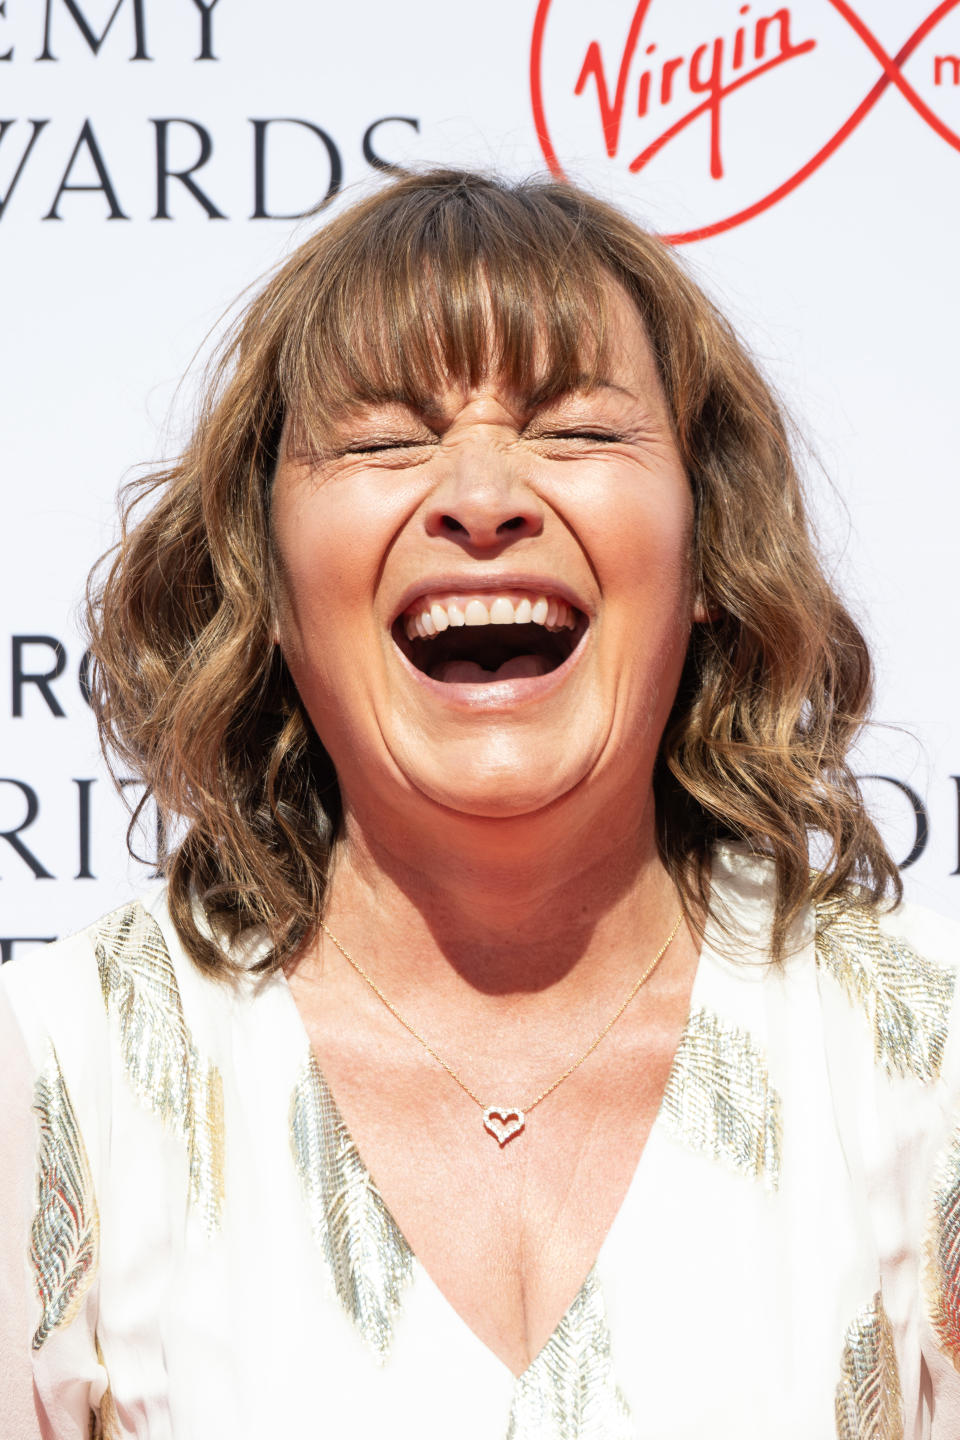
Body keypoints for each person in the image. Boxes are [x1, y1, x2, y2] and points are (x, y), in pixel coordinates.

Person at [1, 167, 958, 1440]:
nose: (483, 496)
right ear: (267, 586)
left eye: (577, 431)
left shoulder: (923, 1068)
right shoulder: (63, 1066)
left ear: (709, 558)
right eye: (386, 440)